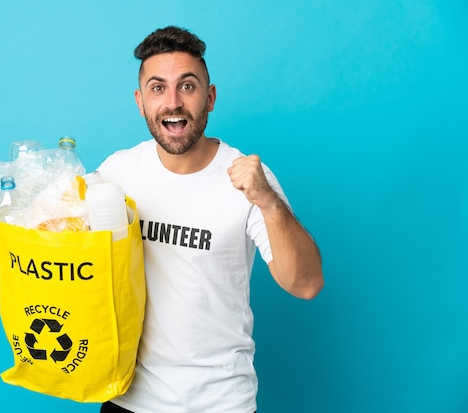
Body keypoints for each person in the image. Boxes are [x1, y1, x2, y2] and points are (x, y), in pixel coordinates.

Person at [97, 26, 324, 413]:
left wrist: (268, 202)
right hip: (127, 400)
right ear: (140, 101)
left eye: (187, 86)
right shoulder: (117, 174)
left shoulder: (250, 179)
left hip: (219, 403)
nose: (173, 102)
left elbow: (306, 284)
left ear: (210, 97)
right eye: (157, 88)